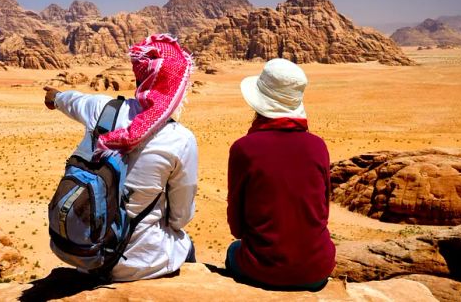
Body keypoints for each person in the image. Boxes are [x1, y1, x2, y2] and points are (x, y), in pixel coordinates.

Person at [44, 33, 198, 281]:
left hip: (89, 253)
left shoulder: (102, 109)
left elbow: (72, 101)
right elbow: (181, 217)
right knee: (186, 245)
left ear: (139, 76)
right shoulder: (180, 139)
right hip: (145, 263)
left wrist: (55, 98)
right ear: (177, 85)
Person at [225, 58, 335, 291]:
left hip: (262, 268)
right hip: (317, 270)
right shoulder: (318, 146)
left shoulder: (244, 148)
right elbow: (323, 212)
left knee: (233, 251)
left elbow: (237, 227)